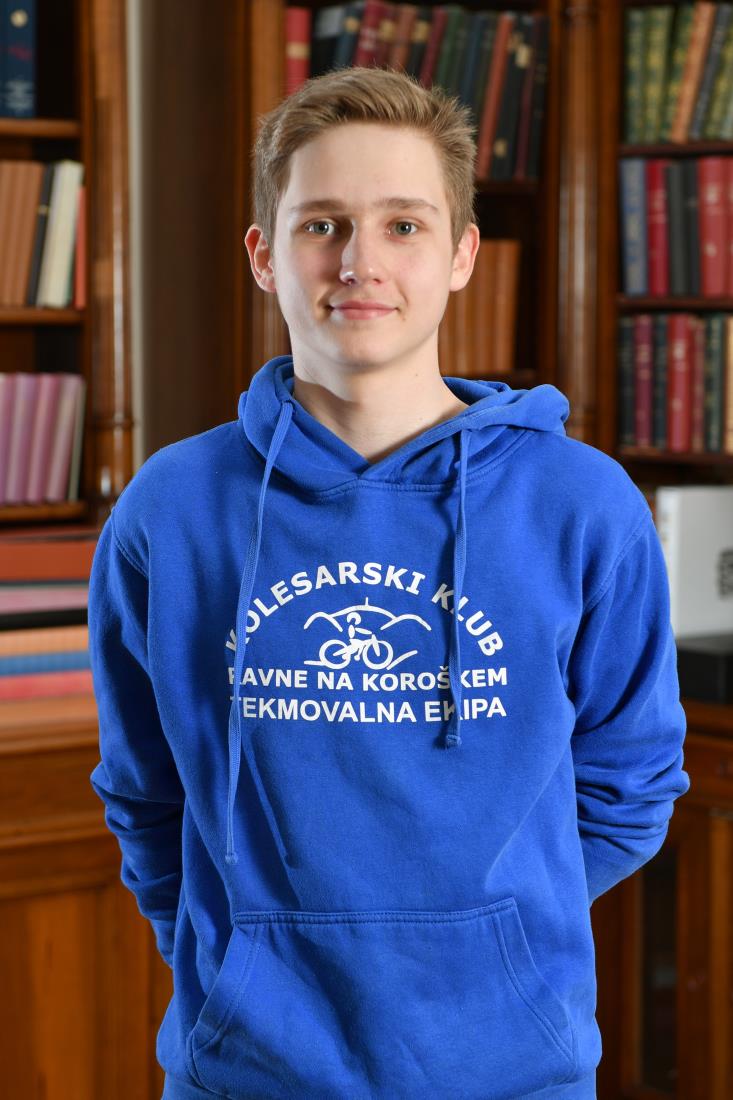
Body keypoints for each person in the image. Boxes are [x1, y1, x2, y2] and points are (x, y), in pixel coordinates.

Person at [88, 65, 690, 1100]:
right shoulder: (171, 509)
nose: (358, 262)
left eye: (402, 225)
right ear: (264, 255)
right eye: (321, 224)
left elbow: (630, 785)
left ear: (460, 255)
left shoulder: (582, 503)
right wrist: (245, 967)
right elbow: (145, 794)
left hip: (513, 1073)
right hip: (245, 1072)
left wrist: (489, 937)